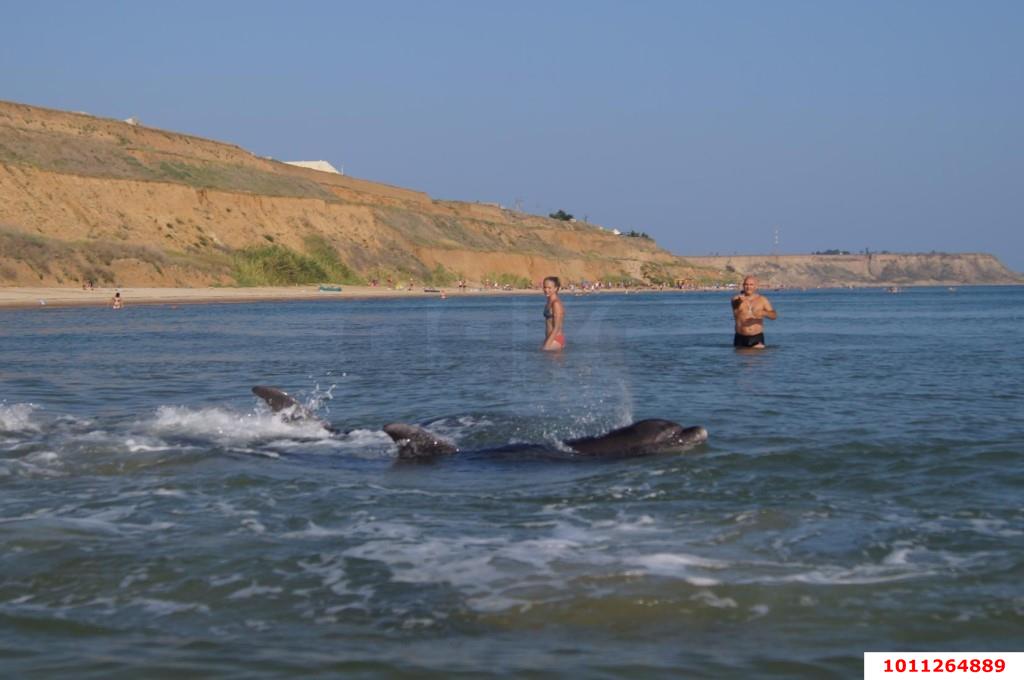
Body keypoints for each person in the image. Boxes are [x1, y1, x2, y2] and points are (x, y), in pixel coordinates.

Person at [731, 275, 776, 348]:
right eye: (746, 284)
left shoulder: (762, 300)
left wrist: (764, 313)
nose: (748, 287)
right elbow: (735, 305)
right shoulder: (736, 298)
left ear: (756, 286)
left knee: (756, 359)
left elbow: (774, 316)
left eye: (751, 285)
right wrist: (739, 301)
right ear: (743, 286)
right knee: (739, 359)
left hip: (756, 337)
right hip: (740, 337)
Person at [542, 276, 565, 351]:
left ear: (556, 288)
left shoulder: (556, 304)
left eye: (549, 288)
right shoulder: (549, 301)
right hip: (550, 338)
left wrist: (547, 345)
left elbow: (556, 327)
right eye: (545, 287)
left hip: (555, 338)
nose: (546, 290)